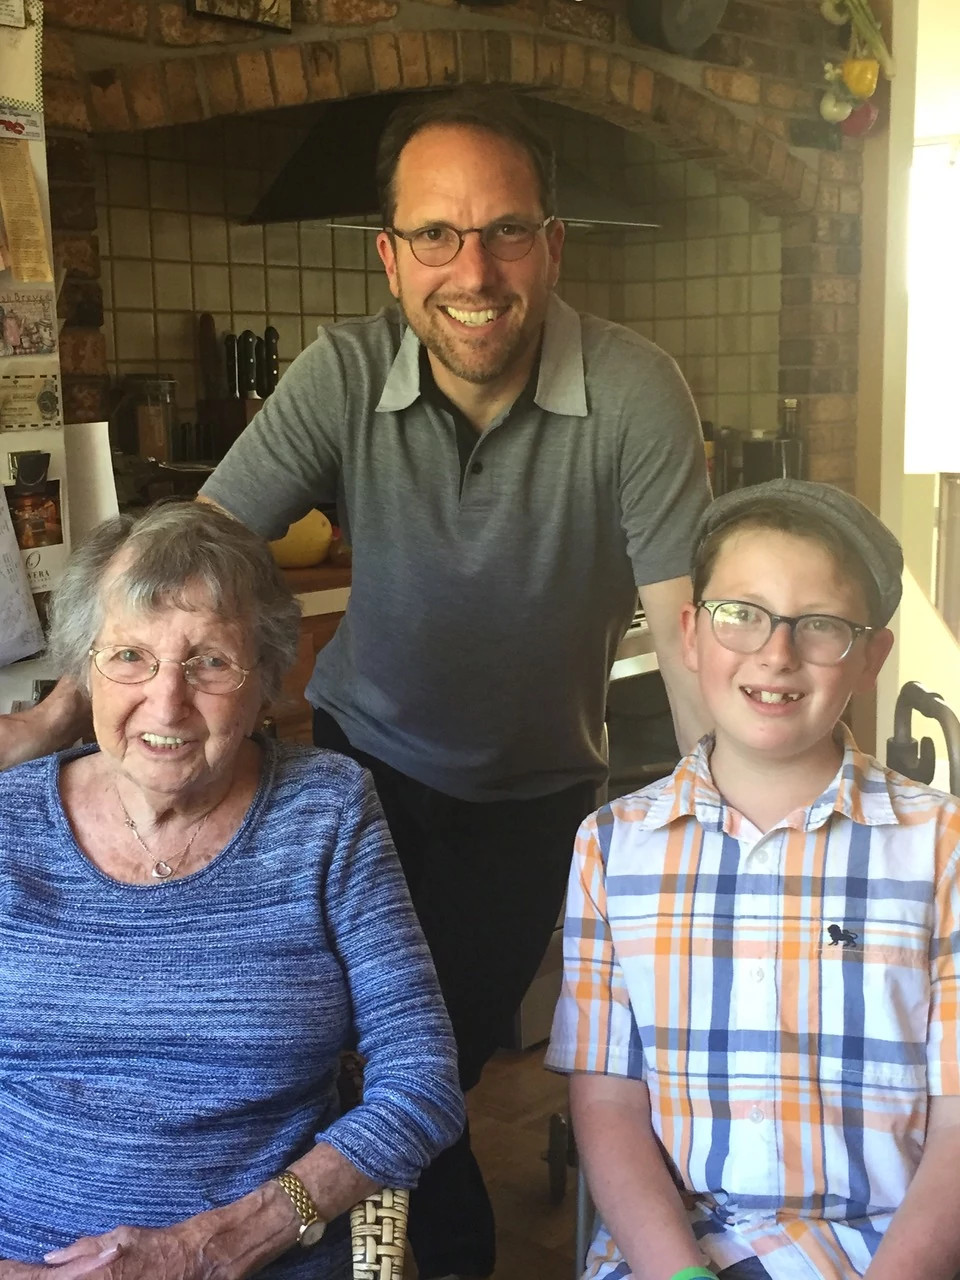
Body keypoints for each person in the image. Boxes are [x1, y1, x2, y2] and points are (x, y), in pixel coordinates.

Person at [0, 88, 711, 1279]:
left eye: (505, 231)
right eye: (436, 233)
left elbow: (692, 639)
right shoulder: (341, 373)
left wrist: (716, 829)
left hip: (524, 798)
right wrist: (59, 713)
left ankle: (359, 1243)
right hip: (360, 769)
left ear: (553, 244)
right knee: (316, 1054)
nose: (471, 268)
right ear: (389, 256)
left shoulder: (633, 391)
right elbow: (176, 564)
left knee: (440, 1064)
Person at [0, 501, 464, 1280]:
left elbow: (422, 1080)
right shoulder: (9, 822)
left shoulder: (328, 811)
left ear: (267, 682)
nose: (167, 701)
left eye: (210, 661)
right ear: (85, 670)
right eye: (130, 657)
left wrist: (220, 1244)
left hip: (260, 1260)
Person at [547, 478, 960, 1280]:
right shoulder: (610, 848)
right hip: (673, 1252)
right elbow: (608, 1106)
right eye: (744, 613)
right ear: (692, 634)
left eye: (821, 626)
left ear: (871, 657)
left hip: (889, 1248)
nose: (777, 653)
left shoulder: (941, 849)